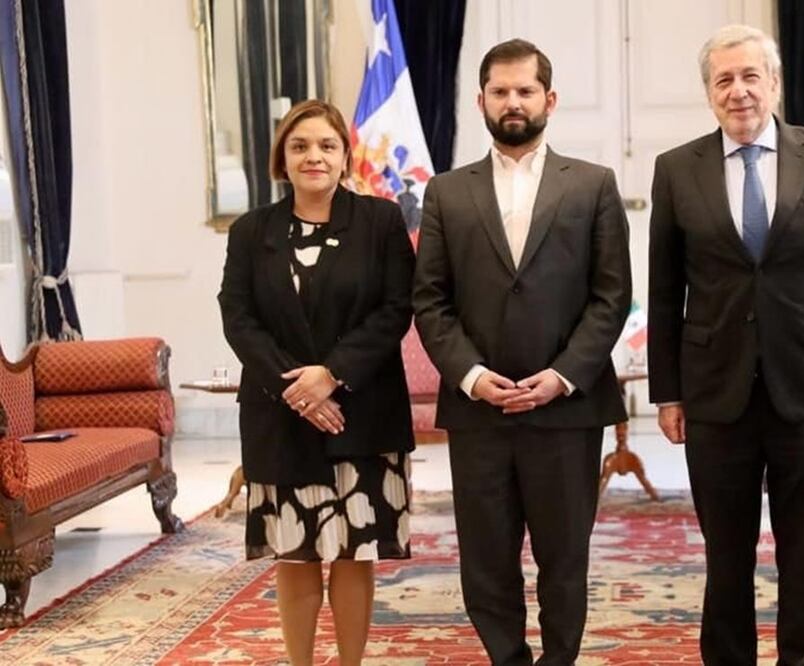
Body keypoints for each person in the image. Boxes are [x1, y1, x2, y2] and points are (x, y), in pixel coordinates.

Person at [647, 25, 804, 665]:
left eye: (751, 76)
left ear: (773, 84)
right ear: (708, 93)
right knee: (727, 557)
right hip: (715, 393)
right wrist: (667, 392)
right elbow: (664, 291)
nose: (739, 91)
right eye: (724, 80)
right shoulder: (675, 169)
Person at [413, 39, 632, 666]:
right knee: (486, 560)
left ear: (549, 99)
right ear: (480, 100)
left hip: (566, 408)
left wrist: (563, 375)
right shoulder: (448, 193)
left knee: (565, 559)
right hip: (480, 410)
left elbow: (611, 295)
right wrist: (472, 377)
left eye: (525, 91)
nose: (513, 102)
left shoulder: (592, 185)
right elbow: (430, 301)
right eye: (500, 91)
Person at [218, 99, 415, 666]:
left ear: (344, 156)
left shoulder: (379, 221)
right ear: (283, 156)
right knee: (297, 552)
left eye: (327, 146)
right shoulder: (253, 230)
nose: (314, 156)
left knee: (354, 551)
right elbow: (237, 315)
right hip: (280, 417)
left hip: (363, 410)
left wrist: (331, 376)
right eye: (300, 145)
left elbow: (394, 310)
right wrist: (296, 391)